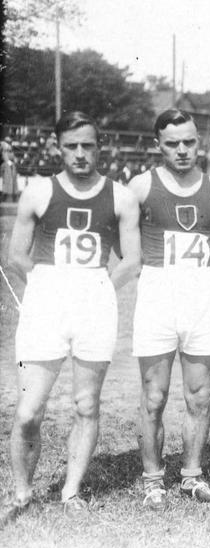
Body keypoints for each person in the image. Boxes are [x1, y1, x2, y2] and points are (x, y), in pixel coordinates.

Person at [2, 111, 141, 525]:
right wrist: (49, 287)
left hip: (94, 303)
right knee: (29, 411)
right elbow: (15, 255)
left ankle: (71, 489)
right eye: (71, 146)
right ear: (56, 147)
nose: (80, 154)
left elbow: (132, 259)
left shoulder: (120, 197)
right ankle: (22, 490)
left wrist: (98, 290)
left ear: (100, 147)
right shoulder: (39, 193)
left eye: (88, 145)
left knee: (86, 404)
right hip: (47, 302)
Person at [128, 109, 210, 510]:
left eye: (189, 141)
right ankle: (153, 480)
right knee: (155, 395)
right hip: (157, 292)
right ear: (158, 145)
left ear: (198, 142)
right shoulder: (140, 186)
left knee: (199, 395)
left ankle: (192, 476)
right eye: (172, 143)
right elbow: (124, 242)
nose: (182, 150)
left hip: (201, 294)